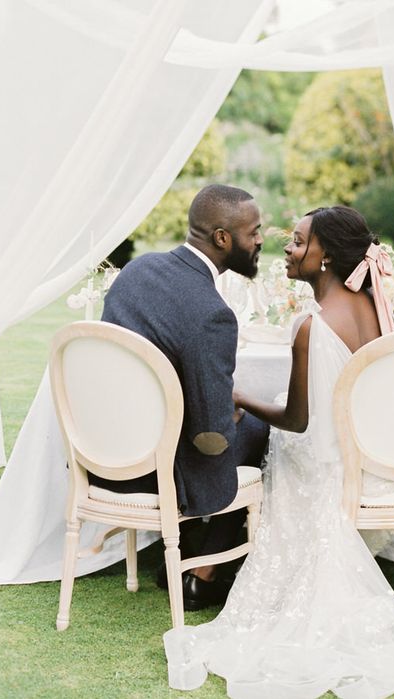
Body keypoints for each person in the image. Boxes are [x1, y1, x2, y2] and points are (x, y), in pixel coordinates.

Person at [164, 206, 394, 699]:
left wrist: (241, 398)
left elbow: (298, 420)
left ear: (325, 257)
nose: (287, 247)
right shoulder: (370, 304)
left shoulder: (310, 324)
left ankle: (205, 555)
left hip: (320, 465)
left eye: (299, 242)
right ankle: (208, 560)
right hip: (358, 455)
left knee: (265, 437)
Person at [94, 184, 270, 611]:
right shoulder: (212, 313)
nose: (262, 239)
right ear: (223, 239)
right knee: (261, 431)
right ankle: (204, 571)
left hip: (104, 454)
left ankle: (190, 541)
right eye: (255, 231)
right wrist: (234, 407)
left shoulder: (136, 271)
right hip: (155, 469)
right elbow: (211, 438)